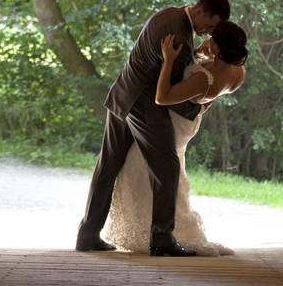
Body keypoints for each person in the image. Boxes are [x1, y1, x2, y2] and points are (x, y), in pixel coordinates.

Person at [76, 0, 231, 256]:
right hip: (143, 105)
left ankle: (87, 234)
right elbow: (168, 94)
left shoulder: (169, 14)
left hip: (123, 92)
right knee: (167, 167)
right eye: (211, 25)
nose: (208, 32)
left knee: (108, 165)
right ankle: (161, 238)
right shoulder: (179, 35)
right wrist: (198, 107)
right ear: (201, 10)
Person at [102, 21, 248, 256]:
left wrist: (168, 60)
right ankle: (166, 228)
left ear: (220, 49)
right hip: (190, 122)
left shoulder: (204, 80)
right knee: (168, 169)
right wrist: (205, 52)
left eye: (212, 38)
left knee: (140, 166)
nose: (206, 40)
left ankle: (151, 231)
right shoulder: (236, 72)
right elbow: (209, 67)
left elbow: (162, 97)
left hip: (174, 122)